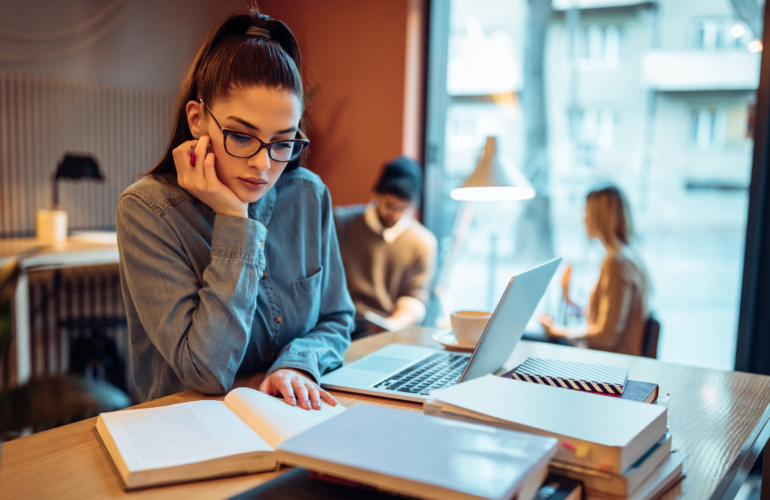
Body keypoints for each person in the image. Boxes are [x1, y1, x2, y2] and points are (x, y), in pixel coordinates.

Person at [116, 7, 354, 410]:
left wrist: (296, 365)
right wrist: (233, 221)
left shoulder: (309, 195)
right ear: (197, 120)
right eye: (242, 137)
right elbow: (205, 373)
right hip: (185, 430)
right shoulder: (147, 210)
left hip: (288, 415)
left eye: (282, 142)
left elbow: (336, 319)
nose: (263, 165)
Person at [334, 157, 437, 337]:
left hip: (387, 332)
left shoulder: (422, 242)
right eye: (390, 206)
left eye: (405, 208)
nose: (396, 214)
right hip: (338, 326)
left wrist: (392, 326)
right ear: (376, 194)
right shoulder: (340, 223)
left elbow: (414, 299)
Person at [540, 186, 649, 356]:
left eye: (586, 211)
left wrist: (557, 330)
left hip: (610, 365)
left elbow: (606, 336)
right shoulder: (626, 257)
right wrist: (570, 300)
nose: (583, 219)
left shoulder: (616, 263)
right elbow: (609, 316)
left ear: (600, 217)